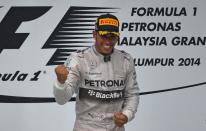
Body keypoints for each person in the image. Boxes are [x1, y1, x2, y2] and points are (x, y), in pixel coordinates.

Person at [53, 13, 139, 131]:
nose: (108, 41)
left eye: (112, 36)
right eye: (104, 36)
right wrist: (60, 82)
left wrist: (126, 115)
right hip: (86, 127)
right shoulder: (78, 59)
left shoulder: (126, 60)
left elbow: (132, 94)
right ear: (94, 34)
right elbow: (62, 99)